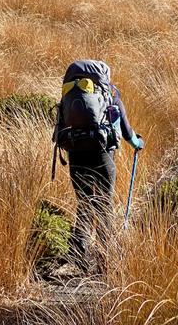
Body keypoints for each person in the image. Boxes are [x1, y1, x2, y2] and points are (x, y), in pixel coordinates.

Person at [52, 59, 144, 276]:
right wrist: (138, 143)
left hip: (76, 156)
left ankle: (79, 255)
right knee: (104, 205)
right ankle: (106, 260)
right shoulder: (111, 97)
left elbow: (58, 133)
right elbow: (128, 133)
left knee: (84, 203)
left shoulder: (68, 98)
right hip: (102, 157)